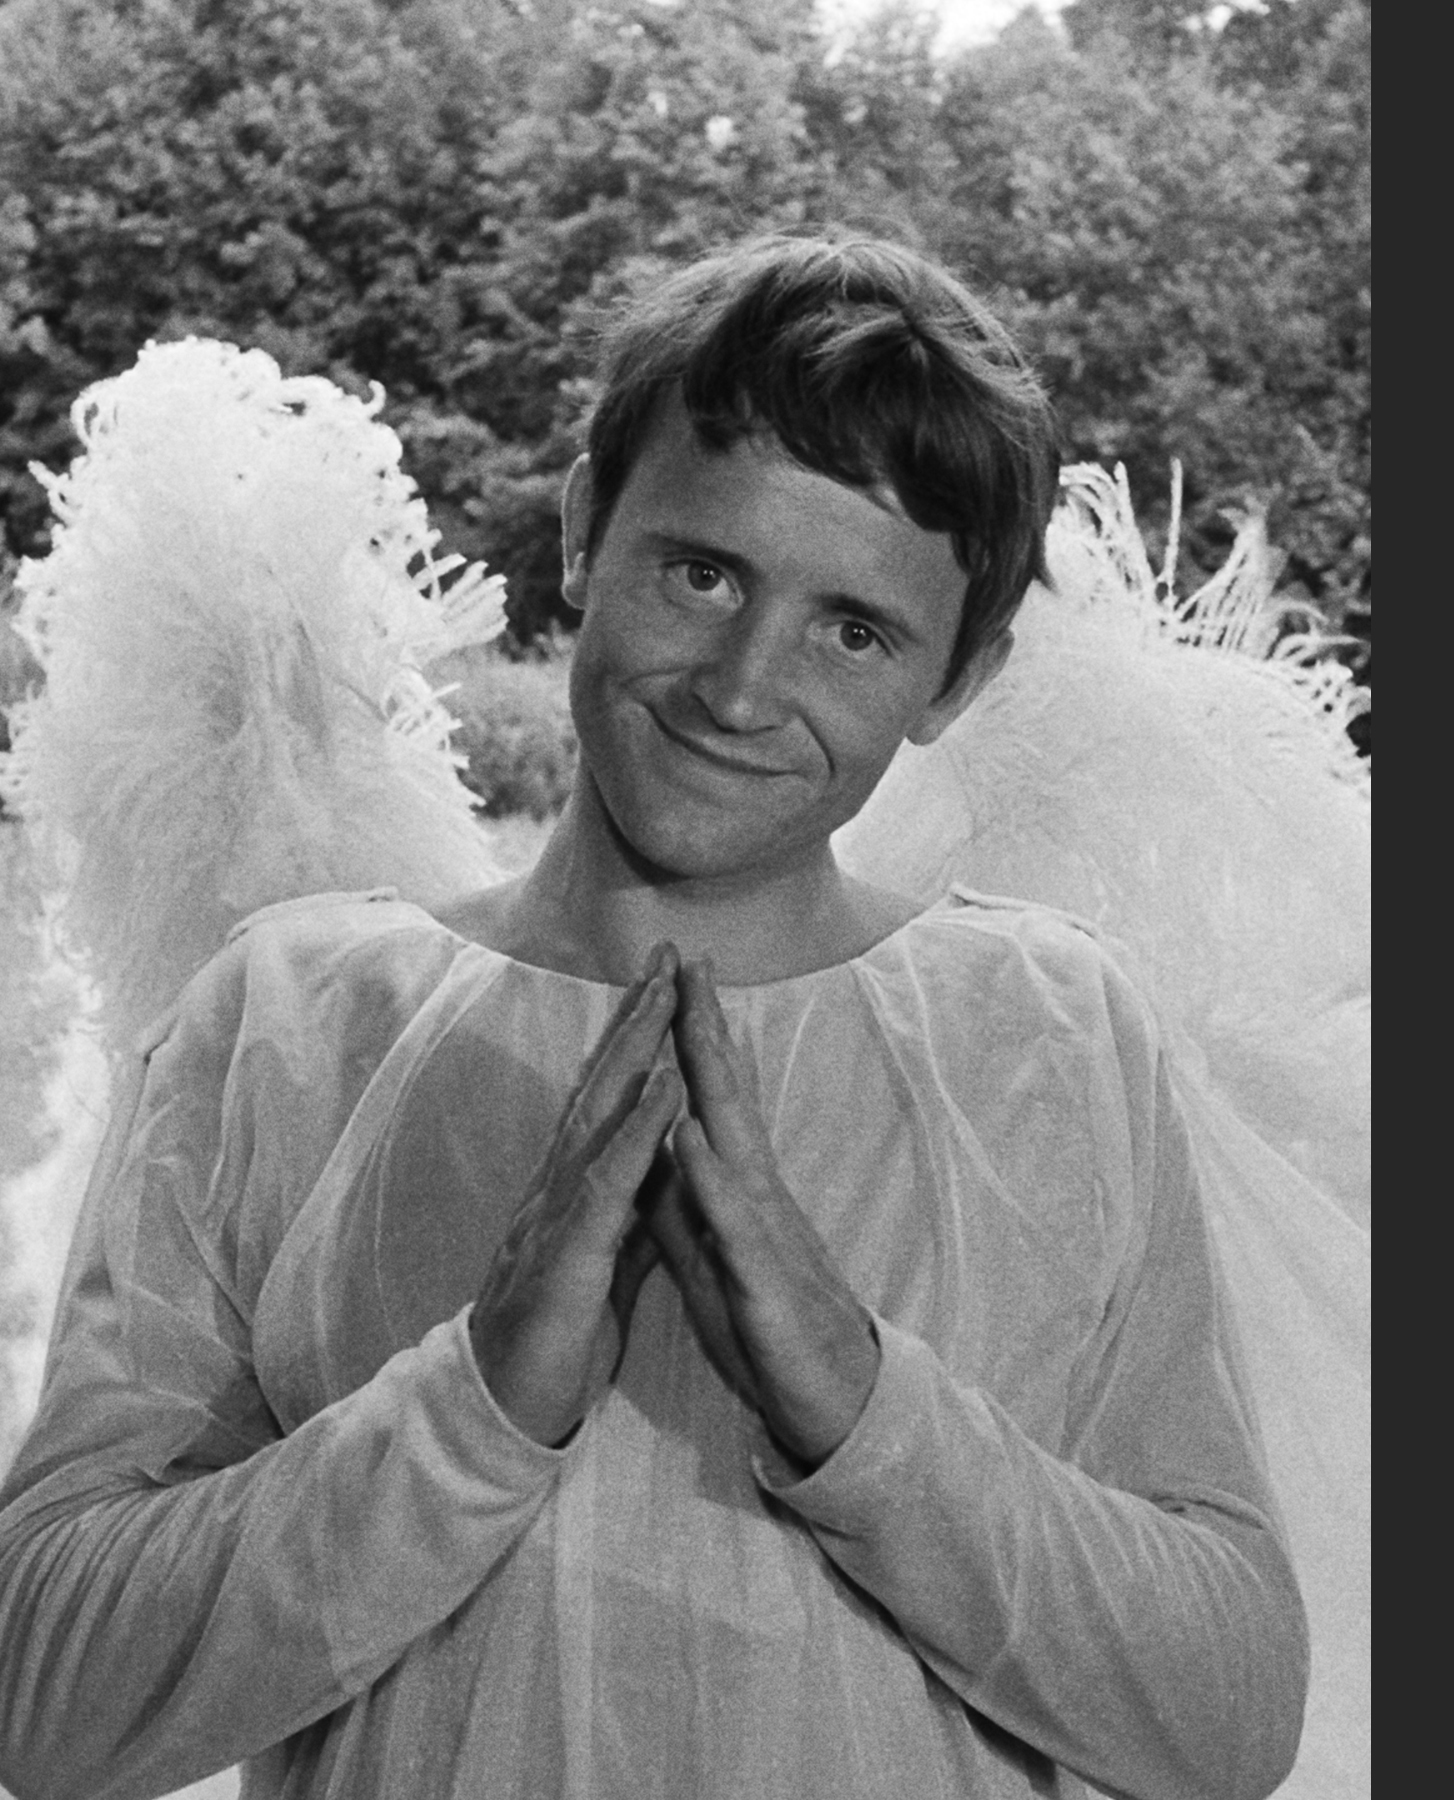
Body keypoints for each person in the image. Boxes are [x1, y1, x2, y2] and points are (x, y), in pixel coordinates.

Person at [0, 235, 1311, 1800]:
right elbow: (43, 1698)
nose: (742, 690)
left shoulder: (1051, 1032)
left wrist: (860, 1402)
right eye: (703, 573)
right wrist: (476, 1403)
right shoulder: (283, 1023)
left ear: (955, 681)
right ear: (583, 533)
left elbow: (1228, 1719)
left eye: (855, 630)